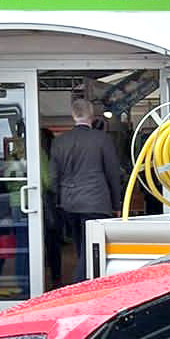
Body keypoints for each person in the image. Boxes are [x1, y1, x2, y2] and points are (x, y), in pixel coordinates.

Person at [49, 96, 124, 281]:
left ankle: (84, 280)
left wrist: (58, 202)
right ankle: (82, 282)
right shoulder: (102, 139)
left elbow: (53, 177)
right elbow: (113, 173)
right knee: (94, 249)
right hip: (96, 202)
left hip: (69, 203)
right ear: (92, 115)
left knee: (80, 246)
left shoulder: (59, 142)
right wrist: (117, 204)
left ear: (73, 115)